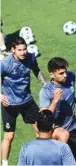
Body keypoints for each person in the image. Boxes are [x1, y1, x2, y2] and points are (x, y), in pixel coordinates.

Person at [0, 37, 46, 166]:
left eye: (24, 49)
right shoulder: (5, 63)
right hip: (9, 104)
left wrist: (45, 83)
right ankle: (4, 163)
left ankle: (42, 158)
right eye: (19, 50)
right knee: (9, 137)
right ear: (13, 50)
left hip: (27, 101)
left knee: (40, 129)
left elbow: (36, 70)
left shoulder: (30, 58)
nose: (23, 52)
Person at [39, 57, 76, 165]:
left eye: (65, 72)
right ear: (51, 74)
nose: (65, 75)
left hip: (71, 127)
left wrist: (74, 99)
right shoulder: (46, 92)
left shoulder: (71, 77)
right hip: (55, 130)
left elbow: (69, 92)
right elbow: (44, 117)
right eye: (61, 73)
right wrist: (54, 101)